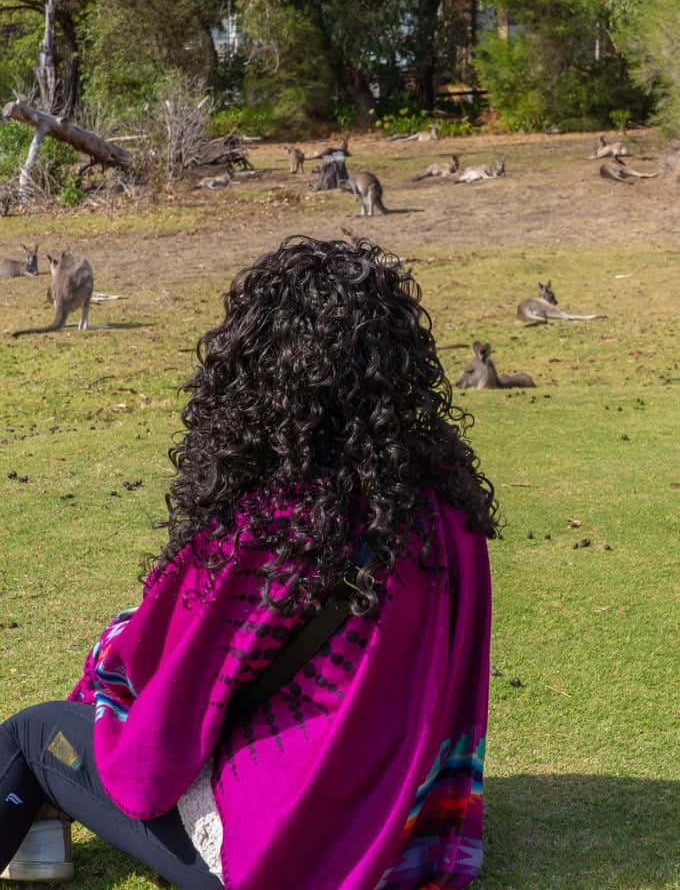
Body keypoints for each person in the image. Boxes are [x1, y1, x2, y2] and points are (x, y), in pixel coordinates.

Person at [0, 236, 497, 890]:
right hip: (412, 833)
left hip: (283, 856)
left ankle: (38, 832)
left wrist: (114, 654)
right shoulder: (446, 509)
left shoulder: (275, 525)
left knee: (34, 735)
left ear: (263, 369)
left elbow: (165, 696)